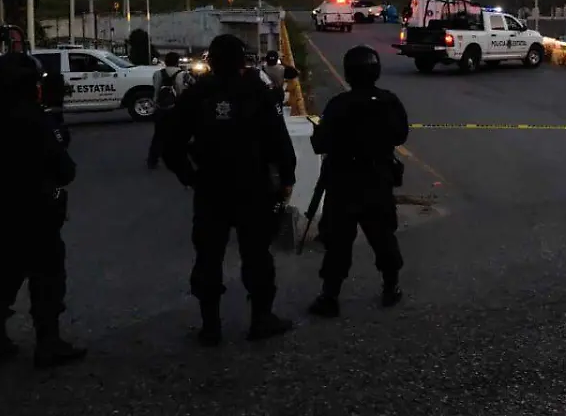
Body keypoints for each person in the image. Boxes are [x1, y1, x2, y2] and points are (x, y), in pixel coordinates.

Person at [162, 34, 297, 346]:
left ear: (210, 61)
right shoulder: (258, 91)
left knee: (208, 257)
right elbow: (279, 140)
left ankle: (210, 326)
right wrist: (286, 179)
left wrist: (190, 177)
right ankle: (261, 318)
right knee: (257, 255)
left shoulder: (197, 93)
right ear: (241, 61)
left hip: (211, 188)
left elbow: (171, 144)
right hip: (253, 187)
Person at [0, 51, 86, 369]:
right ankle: (48, 343)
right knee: (47, 279)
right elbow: (65, 171)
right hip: (35, 215)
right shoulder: (34, 119)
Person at [308, 45, 410, 317]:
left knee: (338, 243)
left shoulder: (338, 105)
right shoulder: (389, 101)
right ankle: (391, 287)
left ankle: (330, 296)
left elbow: (320, 144)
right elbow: (400, 136)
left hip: (343, 184)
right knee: (383, 237)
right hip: (377, 181)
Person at [147, 52, 188, 169]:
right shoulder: (182, 74)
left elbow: (156, 90)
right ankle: (177, 159)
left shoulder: (157, 74)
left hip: (160, 108)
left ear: (165, 62)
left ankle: (152, 159)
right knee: (178, 135)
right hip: (176, 109)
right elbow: (183, 91)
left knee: (158, 135)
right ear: (177, 61)